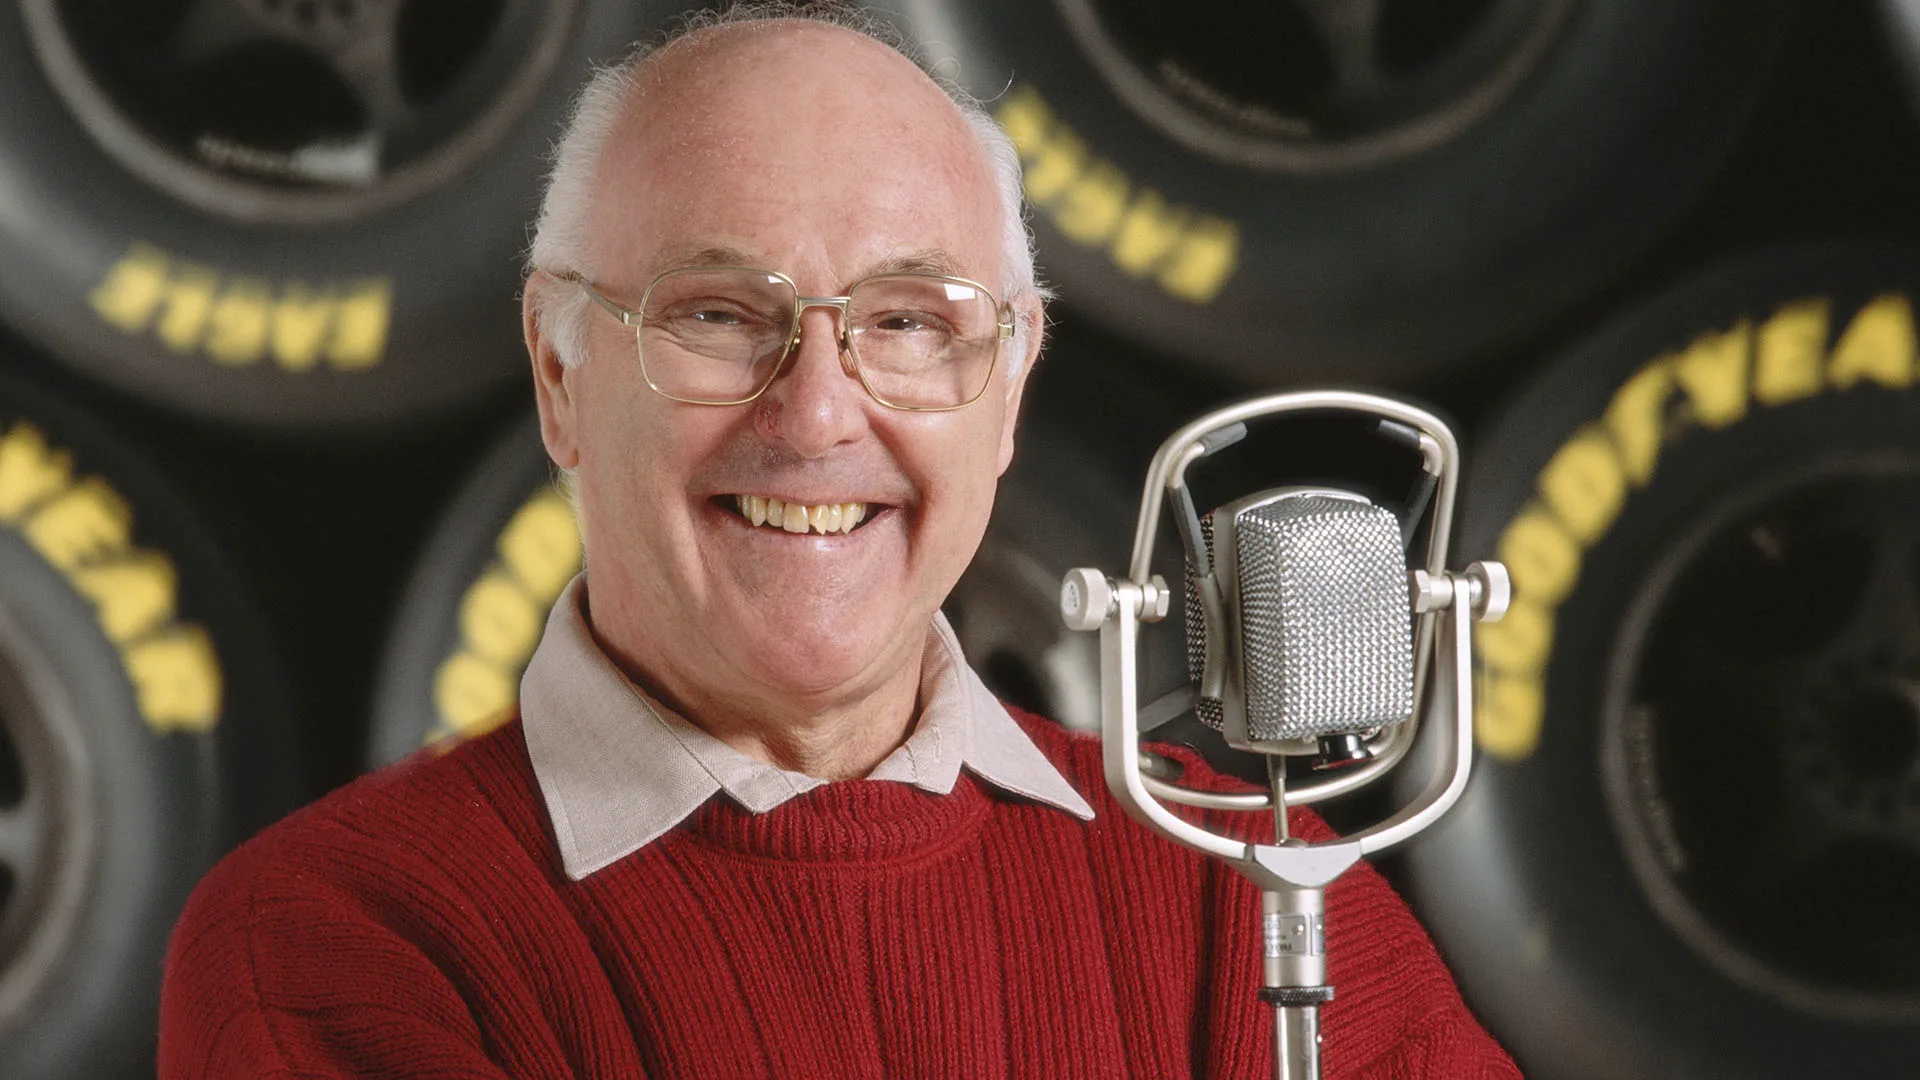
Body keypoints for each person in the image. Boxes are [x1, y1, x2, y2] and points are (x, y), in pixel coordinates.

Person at [158, 5, 1519, 1077]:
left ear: (1009, 385)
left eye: (909, 321)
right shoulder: (338, 942)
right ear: (561, 373)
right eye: (715, 314)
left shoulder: (1244, 893)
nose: (816, 412)